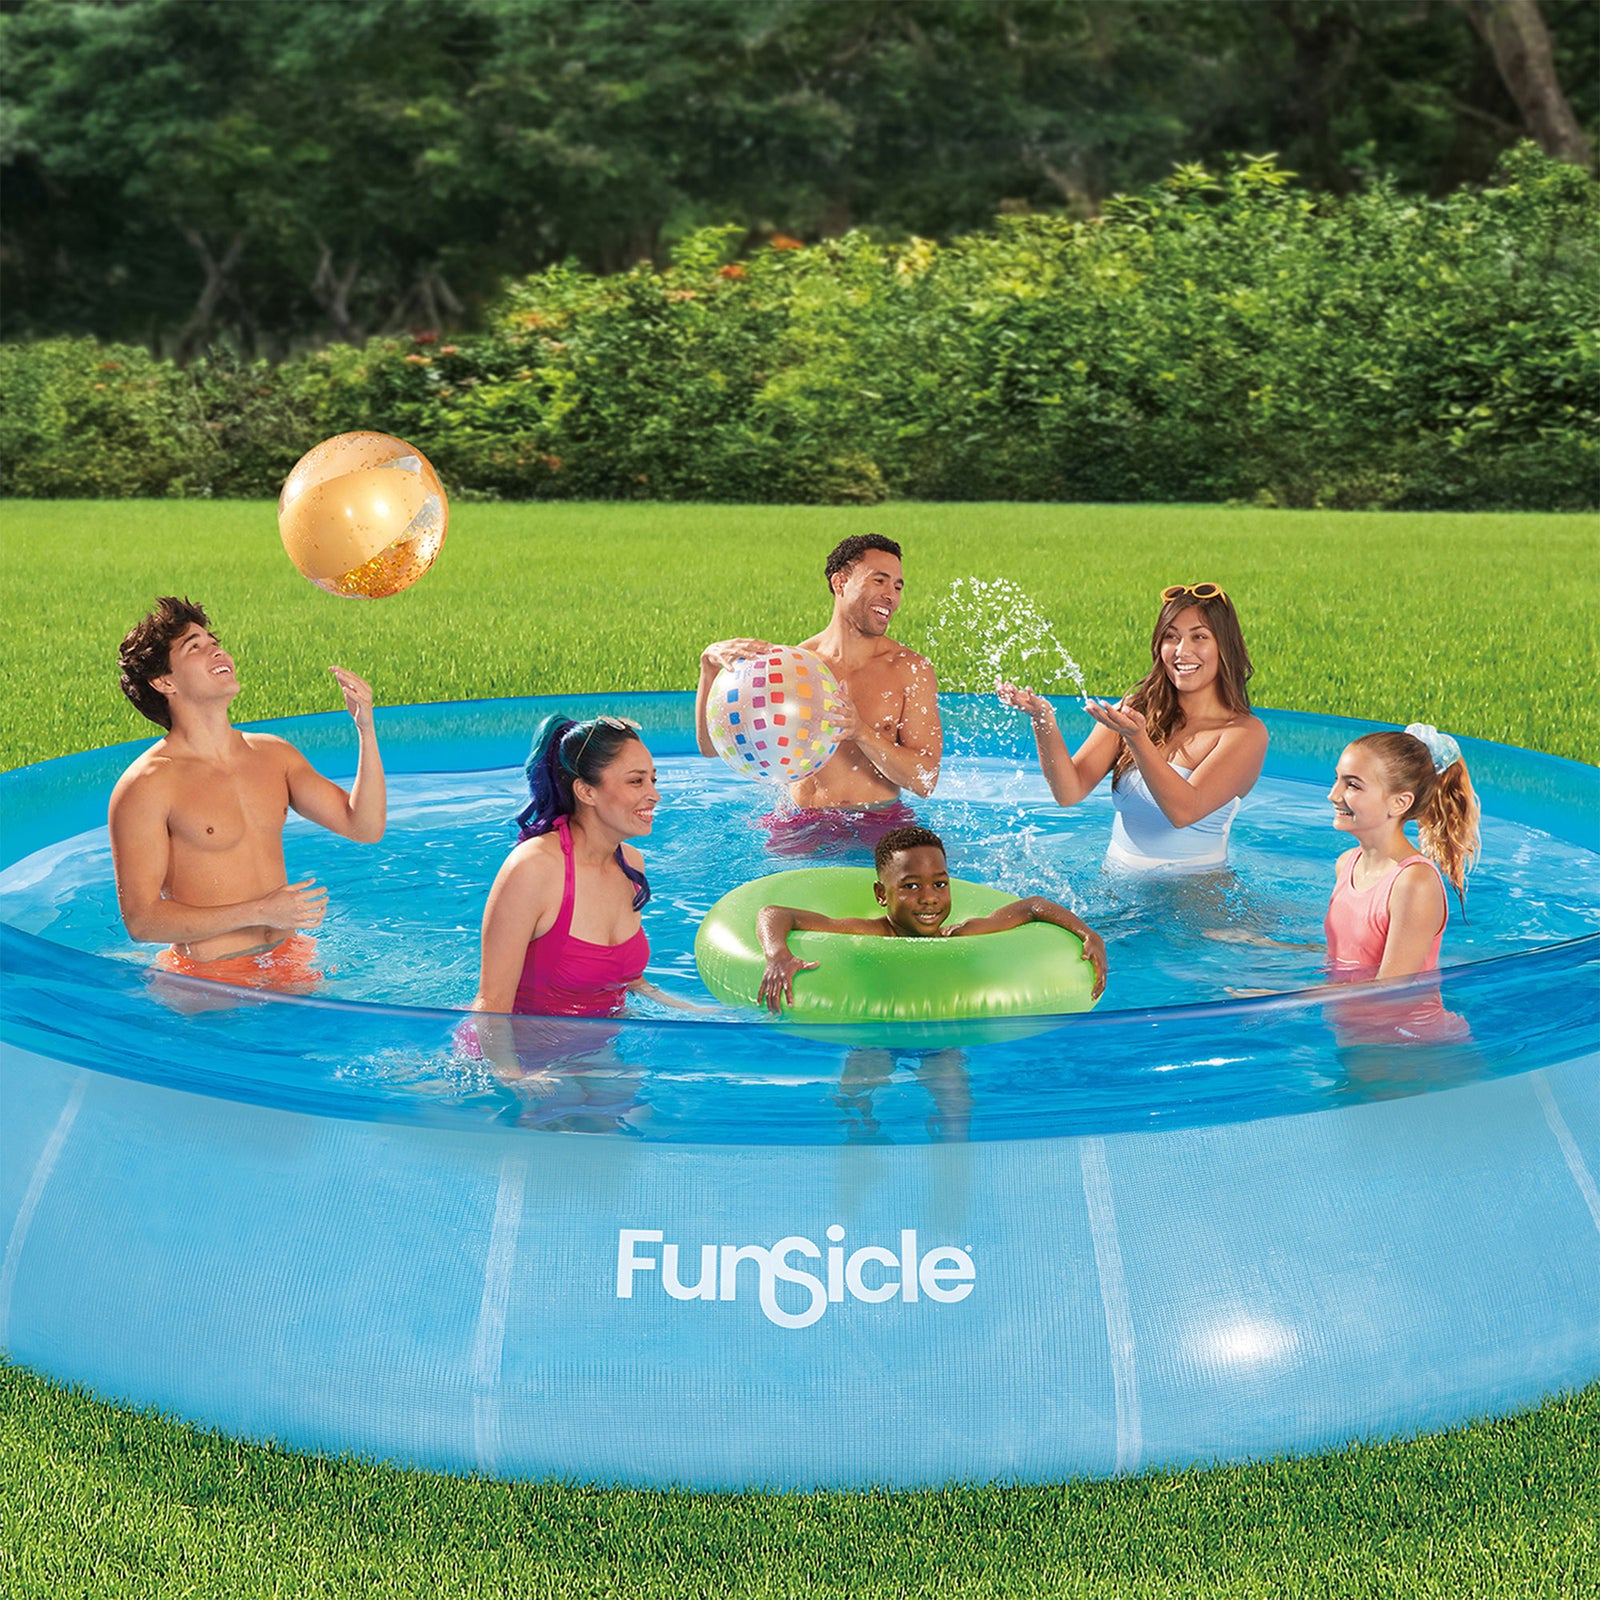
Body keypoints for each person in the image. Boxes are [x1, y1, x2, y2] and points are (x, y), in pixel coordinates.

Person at [108, 596, 384, 990]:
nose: (217, 650)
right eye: (195, 647)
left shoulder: (274, 755)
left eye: (213, 642)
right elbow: (141, 921)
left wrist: (365, 729)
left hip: (289, 959)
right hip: (208, 980)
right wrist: (261, 911)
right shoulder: (147, 784)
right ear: (164, 682)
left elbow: (365, 826)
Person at [999, 582, 1267, 873]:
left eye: (1199, 637)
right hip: (1115, 884)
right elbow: (1069, 792)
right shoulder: (1137, 710)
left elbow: (1184, 811)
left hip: (1195, 892)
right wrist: (1042, 719)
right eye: (1171, 636)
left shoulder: (1243, 733)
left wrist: (1137, 739)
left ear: (1224, 646)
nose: (1182, 651)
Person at [695, 535, 942, 844]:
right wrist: (708, 669)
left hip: (880, 824)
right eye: (879, 581)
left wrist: (861, 732)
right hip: (801, 827)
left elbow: (925, 780)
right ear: (840, 583)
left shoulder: (909, 669)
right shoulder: (796, 667)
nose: (891, 595)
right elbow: (711, 747)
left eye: (898, 586)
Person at [755, 825, 1107, 1011]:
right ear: (881, 895)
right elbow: (775, 914)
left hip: (940, 1026)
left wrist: (1089, 934)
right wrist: (777, 955)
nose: (929, 898)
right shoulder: (872, 932)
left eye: (940, 883)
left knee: (953, 1092)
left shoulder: (960, 934)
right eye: (911, 886)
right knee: (859, 1089)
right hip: (876, 1025)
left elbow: (1032, 906)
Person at [1322, 725, 1479, 983]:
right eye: (1336, 779)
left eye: (1353, 785)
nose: (1333, 795)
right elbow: (1351, 958)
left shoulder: (1413, 883)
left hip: (1400, 1013)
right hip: (1342, 1008)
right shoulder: (1347, 864)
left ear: (1399, 802)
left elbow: (1390, 989)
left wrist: (1283, 999)